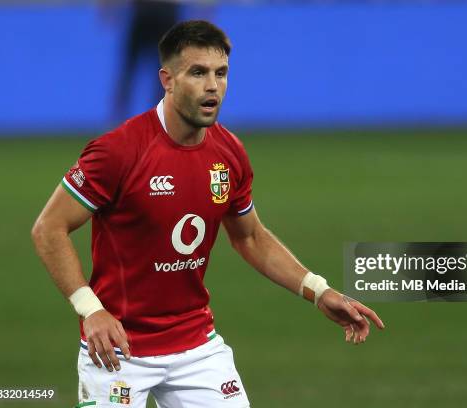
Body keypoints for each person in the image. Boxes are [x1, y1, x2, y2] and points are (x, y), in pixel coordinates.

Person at [31, 20, 384, 408]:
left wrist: (318, 291)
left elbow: (249, 236)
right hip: (117, 348)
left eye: (221, 73)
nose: (213, 86)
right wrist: (91, 310)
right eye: (198, 73)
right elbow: (49, 228)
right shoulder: (119, 151)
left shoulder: (229, 153)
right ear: (167, 79)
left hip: (196, 347)